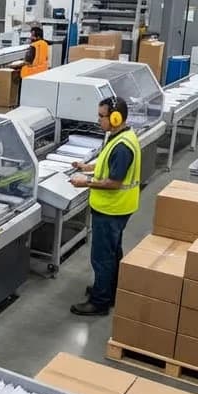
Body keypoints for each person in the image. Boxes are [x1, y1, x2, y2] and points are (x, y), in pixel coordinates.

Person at [69, 97, 141, 317]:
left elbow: (114, 182)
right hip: (118, 208)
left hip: (112, 209)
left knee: (102, 257)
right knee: (113, 252)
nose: (99, 120)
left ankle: (99, 302)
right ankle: (109, 291)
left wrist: (85, 182)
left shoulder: (122, 147)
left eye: (102, 116)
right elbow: (105, 165)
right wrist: (87, 166)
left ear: (116, 117)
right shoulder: (120, 136)